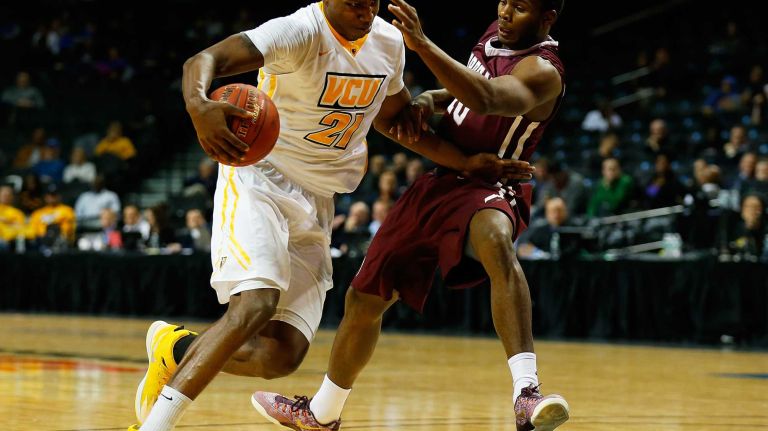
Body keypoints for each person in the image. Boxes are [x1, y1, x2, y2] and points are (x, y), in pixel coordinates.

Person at [127, 1, 528, 430]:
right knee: (255, 305)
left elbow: (393, 121)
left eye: (370, 0)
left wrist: (464, 164)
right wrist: (197, 104)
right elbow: (203, 60)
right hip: (259, 179)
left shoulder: (390, 42)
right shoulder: (297, 31)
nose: (364, 7)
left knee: (281, 355)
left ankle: (176, 348)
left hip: (319, 197)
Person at [252, 1, 569, 430]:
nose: (508, 12)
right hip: (441, 178)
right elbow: (463, 93)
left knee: (495, 241)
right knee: (364, 298)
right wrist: (427, 99)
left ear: (547, 18)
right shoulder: (496, 31)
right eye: (505, 1)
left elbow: (488, 97)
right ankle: (322, 414)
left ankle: (526, 393)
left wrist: (420, 44)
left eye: (522, 7)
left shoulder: (544, 71)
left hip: (491, 180)